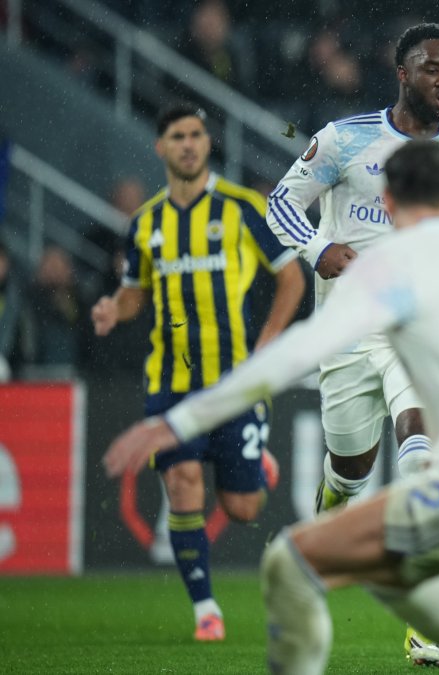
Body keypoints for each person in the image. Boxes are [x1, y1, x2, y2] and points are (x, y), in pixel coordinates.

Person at [103, 140, 439, 675]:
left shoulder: (391, 266)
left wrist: (180, 420)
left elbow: (293, 355)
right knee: (388, 567)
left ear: (389, 204)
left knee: (291, 560)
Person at [265, 23, 439, 665]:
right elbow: (282, 202)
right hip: (345, 326)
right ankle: (328, 516)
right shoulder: (345, 140)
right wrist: (318, 248)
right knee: (351, 466)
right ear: (404, 74)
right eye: (433, 69)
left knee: (422, 452)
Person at [90, 102, 305, 641]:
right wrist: (116, 307)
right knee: (183, 485)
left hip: (233, 381)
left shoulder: (241, 207)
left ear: (207, 145)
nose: (188, 144)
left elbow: (293, 280)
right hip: (170, 384)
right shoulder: (144, 224)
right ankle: (206, 609)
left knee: (242, 507)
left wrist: (265, 353)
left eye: (196, 135)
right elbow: (137, 293)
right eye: (177, 136)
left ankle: (257, 469)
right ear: (161, 147)